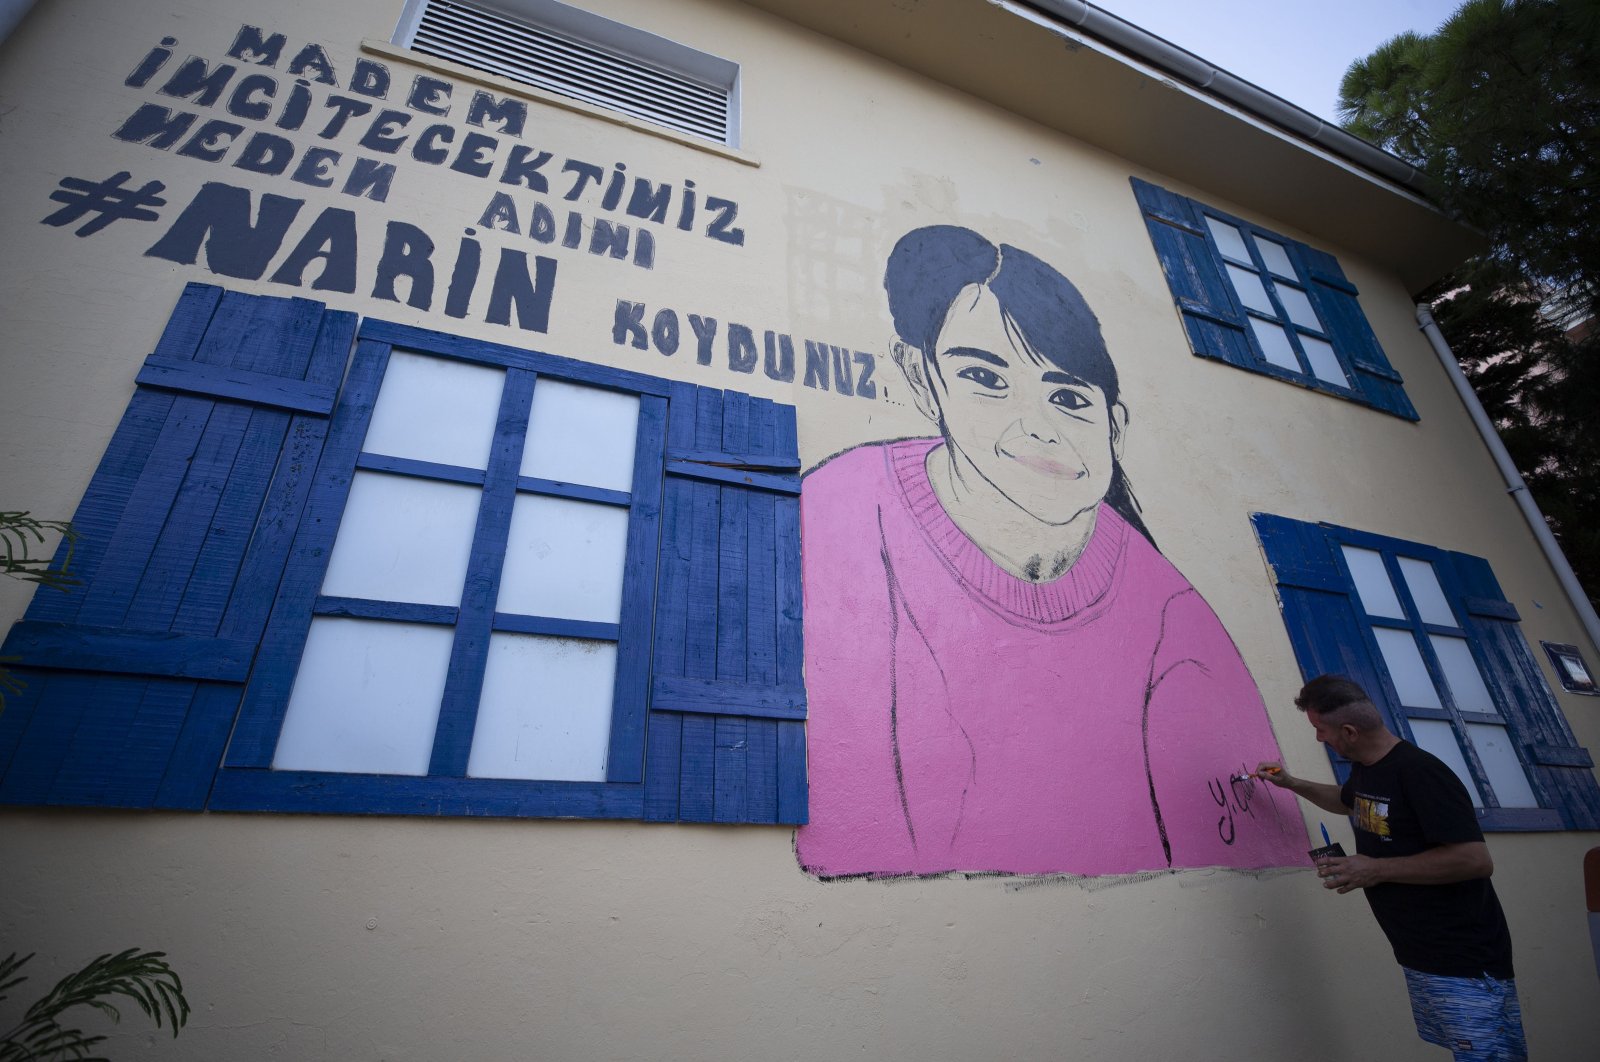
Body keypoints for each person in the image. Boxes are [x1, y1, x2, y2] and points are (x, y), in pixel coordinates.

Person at [794, 224, 1306, 878]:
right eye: (985, 376)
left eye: (1068, 396)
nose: (1038, 424)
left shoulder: (1174, 622)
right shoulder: (837, 512)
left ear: (1113, 427)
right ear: (923, 381)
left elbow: (1242, 860)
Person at [1258, 675, 1526, 1061]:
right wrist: (1290, 783)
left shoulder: (1422, 773)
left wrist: (1375, 869)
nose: (1319, 738)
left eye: (1320, 730)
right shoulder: (1368, 769)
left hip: (1466, 963)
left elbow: (1475, 860)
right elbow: (1347, 801)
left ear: (1348, 731)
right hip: (1421, 956)